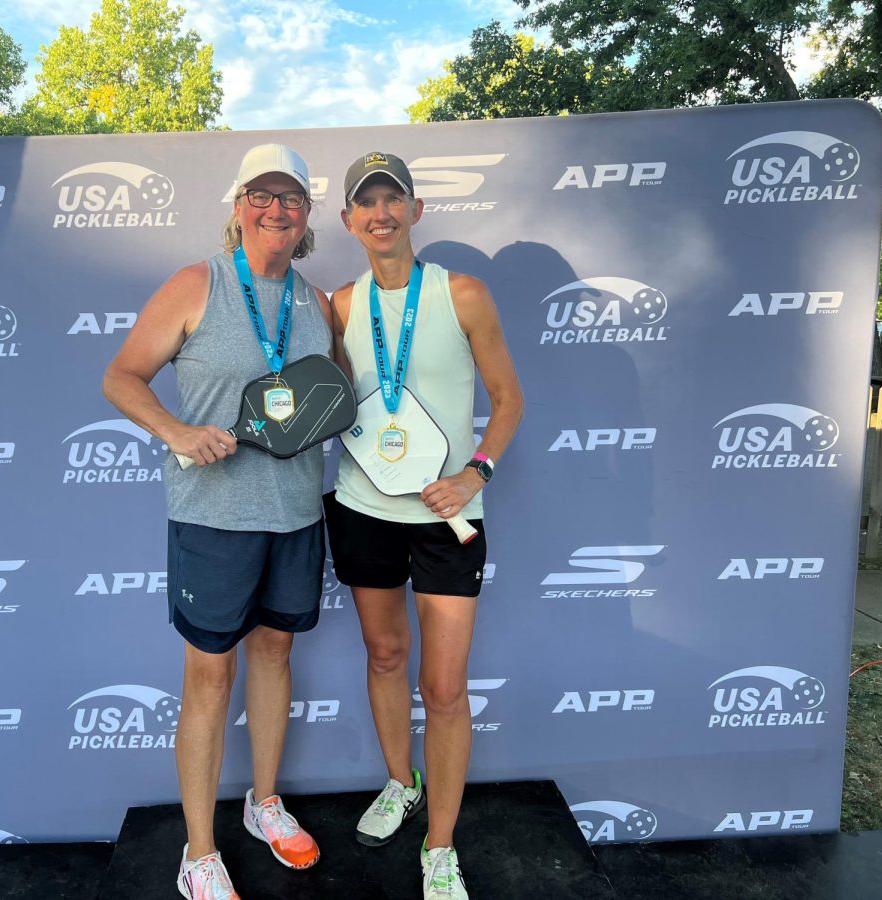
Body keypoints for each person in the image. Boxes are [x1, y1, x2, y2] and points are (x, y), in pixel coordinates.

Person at [103, 143, 332, 900]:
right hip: (213, 518)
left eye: (290, 200)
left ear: (305, 219)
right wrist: (174, 432)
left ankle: (264, 803)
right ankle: (199, 849)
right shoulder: (196, 284)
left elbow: (331, 398)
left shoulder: (316, 301)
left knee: (274, 657)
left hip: (297, 513)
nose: (276, 210)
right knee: (209, 675)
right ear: (238, 208)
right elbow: (121, 375)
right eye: (261, 196)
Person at [325, 151, 524, 899]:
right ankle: (397, 782)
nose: (380, 213)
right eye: (365, 203)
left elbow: (508, 401)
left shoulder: (463, 294)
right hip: (362, 508)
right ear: (348, 220)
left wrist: (477, 472)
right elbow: (330, 404)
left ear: (414, 210)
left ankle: (439, 845)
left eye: (392, 199)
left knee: (443, 688)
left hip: (448, 520)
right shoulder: (340, 306)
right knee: (384, 656)